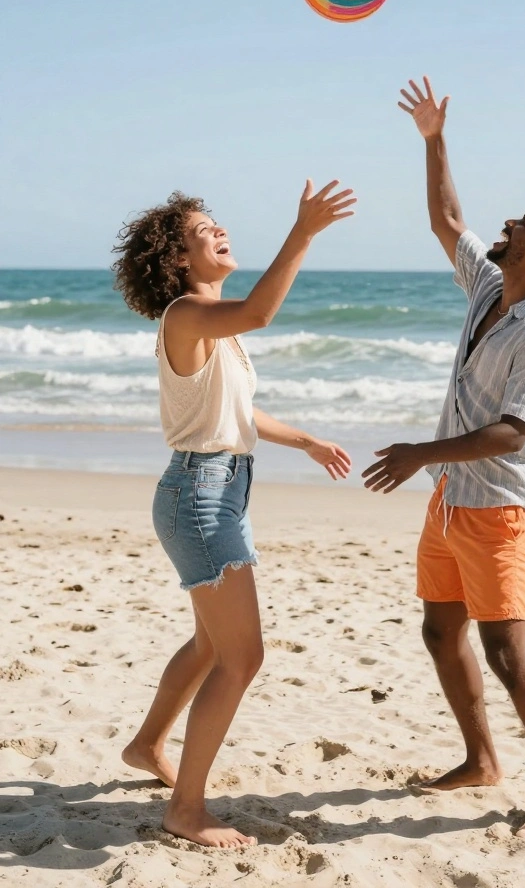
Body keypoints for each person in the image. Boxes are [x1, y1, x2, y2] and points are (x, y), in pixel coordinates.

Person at [362, 77, 525, 838]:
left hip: (501, 506)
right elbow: (447, 219)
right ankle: (482, 760)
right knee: (440, 631)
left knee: (507, 650)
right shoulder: (489, 286)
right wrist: (434, 138)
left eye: (523, 220)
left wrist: (415, 453)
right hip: (452, 500)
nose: (508, 220)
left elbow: (513, 433)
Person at [111, 180, 355, 848]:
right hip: (200, 495)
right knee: (242, 656)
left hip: (217, 489)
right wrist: (302, 232)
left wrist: (303, 439)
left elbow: (235, 413)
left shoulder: (211, 327)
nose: (218, 231)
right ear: (178, 259)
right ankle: (186, 809)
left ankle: (147, 744)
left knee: (212, 644)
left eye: (216, 222)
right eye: (201, 230)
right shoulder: (188, 314)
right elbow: (262, 312)